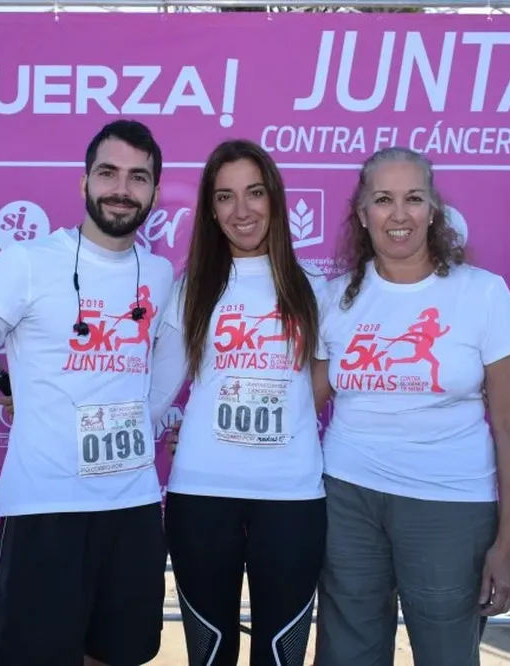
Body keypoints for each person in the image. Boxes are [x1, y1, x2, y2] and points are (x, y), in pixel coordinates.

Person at [0, 119, 175, 666]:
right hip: (44, 510)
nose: (122, 188)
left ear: (155, 193)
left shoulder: (160, 274)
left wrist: (148, 417)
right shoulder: (26, 262)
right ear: (84, 182)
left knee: (118, 655)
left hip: (134, 509)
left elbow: (169, 360)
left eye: (138, 177)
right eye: (108, 172)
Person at [311, 146, 510, 666]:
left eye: (413, 198)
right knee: (347, 654)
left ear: (433, 209)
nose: (399, 214)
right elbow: (302, 407)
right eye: (383, 200)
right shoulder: (334, 297)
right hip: (347, 502)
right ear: (362, 214)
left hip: (450, 507)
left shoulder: (482, 294)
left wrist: (508, 544)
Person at [146, 139, 330, 666]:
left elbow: (324, 380)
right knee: (211, 654)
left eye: (254, 192)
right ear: (210, 209)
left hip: (292, 499)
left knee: (281, 655)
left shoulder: (316, 287)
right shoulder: (190, 290)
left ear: (275, 197)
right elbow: (158, 393)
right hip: (202, 495)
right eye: (225, 197)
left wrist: (280, 420)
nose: (242, 210)